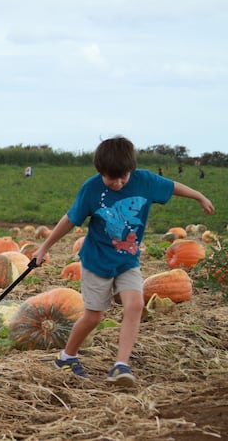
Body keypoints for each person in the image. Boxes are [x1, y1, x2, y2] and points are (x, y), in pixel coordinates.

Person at [32, 136, 214, 387]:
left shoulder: (145, 181)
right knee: (94, 317)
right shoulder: (92, 189)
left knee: (135, 305)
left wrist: (199, 197)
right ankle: (67, 356)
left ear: (131, 170)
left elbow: (173, 187)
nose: (117, 183)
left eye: (123, 178)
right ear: (100, 172)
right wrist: (44, 247)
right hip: (96, 262)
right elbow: (70, 219)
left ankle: (121, 365)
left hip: (128, 261)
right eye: (110, 178)